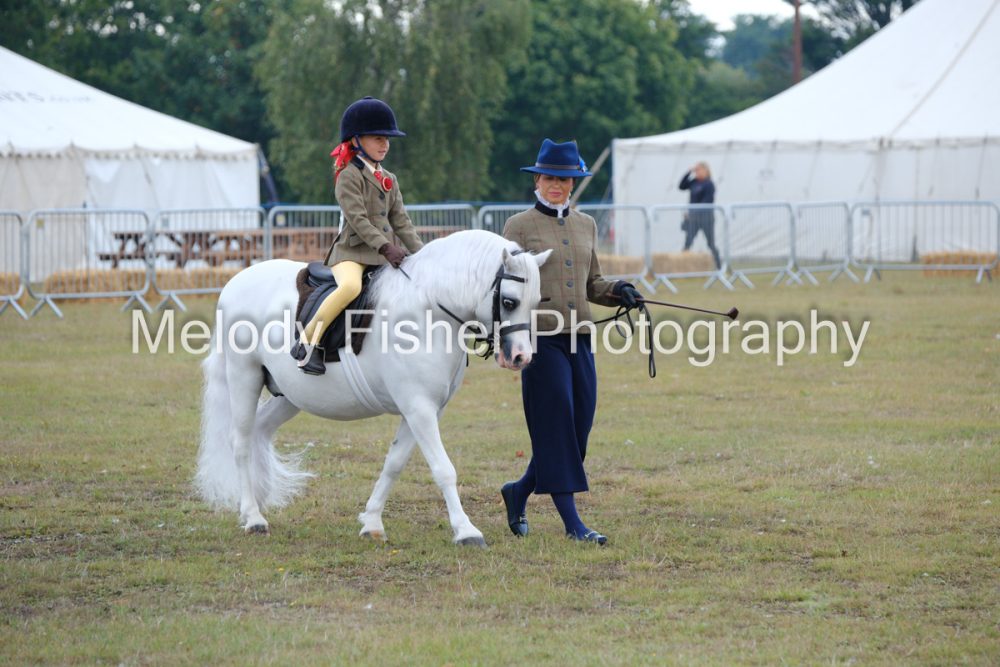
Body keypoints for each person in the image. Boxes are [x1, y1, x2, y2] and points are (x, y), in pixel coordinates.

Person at [500, 139, 643, 545]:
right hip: (539, 339)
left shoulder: (586, 225)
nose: (556, 185)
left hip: (580, 336)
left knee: (578, 431)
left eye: (564, 180)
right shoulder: (518, 226)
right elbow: (506, 287)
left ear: (573, 183)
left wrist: (620, 290)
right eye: (549, 178)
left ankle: (519, 491)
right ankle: (573, 525)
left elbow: (593, 283)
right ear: (537, 181)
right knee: (556, 423)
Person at [292, 97, 424, 375]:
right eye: (378, 138)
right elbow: (358, 220)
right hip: (351, 254)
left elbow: (401, 221)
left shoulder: (389, 178)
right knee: (350, 288)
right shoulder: (348, 176)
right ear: (356, 141)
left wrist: (423, 254)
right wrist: (386, 247)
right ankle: (307, 342)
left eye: (387, 139)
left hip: (381, 255)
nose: (385, 144)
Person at [679, 162, 721, 269]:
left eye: (699, 170)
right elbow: (681, 186)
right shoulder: (694, 182)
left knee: (711, 243)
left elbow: (707, 201)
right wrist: (689, 172)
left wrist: (693, 212)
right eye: (696, 170)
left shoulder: (709, 184)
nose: (696, 172)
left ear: (705, 171)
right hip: (693, 219)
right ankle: (681, 266)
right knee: (688, 242)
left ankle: (719, 267)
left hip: (706, 218)